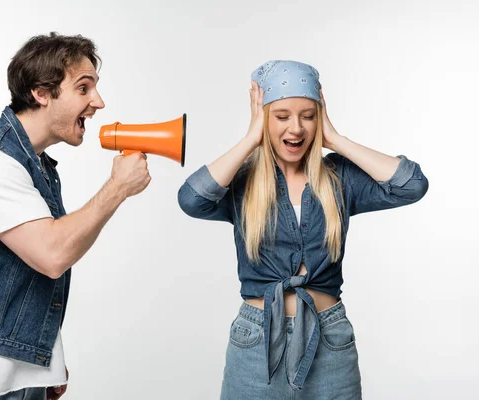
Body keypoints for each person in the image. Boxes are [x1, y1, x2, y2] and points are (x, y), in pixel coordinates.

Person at [177, 60, 429, 399]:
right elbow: (191, 199)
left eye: (307, 116)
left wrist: (336, 139)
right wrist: (252, 138)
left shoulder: (339, 179)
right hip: (256, 342)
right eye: (281, 116)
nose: (296, 128)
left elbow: (411, 185)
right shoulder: (242, 181)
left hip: (329, 340)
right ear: (263, 118)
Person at [0, 32, 151, 400]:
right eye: (84, 88)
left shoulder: (36, 163)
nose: (98, 102)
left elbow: (25, 272)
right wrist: (117, 188)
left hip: (20, 374)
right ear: (42, 93)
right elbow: (52, 254)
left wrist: (46, 362)